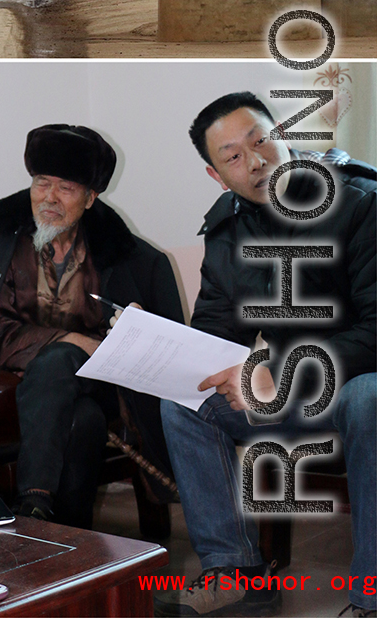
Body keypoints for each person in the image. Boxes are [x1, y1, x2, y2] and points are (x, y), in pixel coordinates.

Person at [155, 93, 376, 618]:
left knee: (371, 398)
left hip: (356, 384)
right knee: (185, 402)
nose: (255, 161)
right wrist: (152, 342)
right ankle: (234, 571)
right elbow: (213, 330)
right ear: (216, 175)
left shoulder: (360, 202)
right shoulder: (229, 229)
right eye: (233, 156)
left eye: (261, 140)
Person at [0, 124, 184, 528]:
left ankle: (33, 506)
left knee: (64, 366)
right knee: (82, 418)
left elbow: (163, 349)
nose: (49, 198)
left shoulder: (132, 259)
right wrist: (74, 339)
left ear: (91, 198)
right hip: (3, 387)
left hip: (96, 384)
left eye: (66, 188)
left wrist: (132, 328)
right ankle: (65, 538)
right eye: (41, 183)